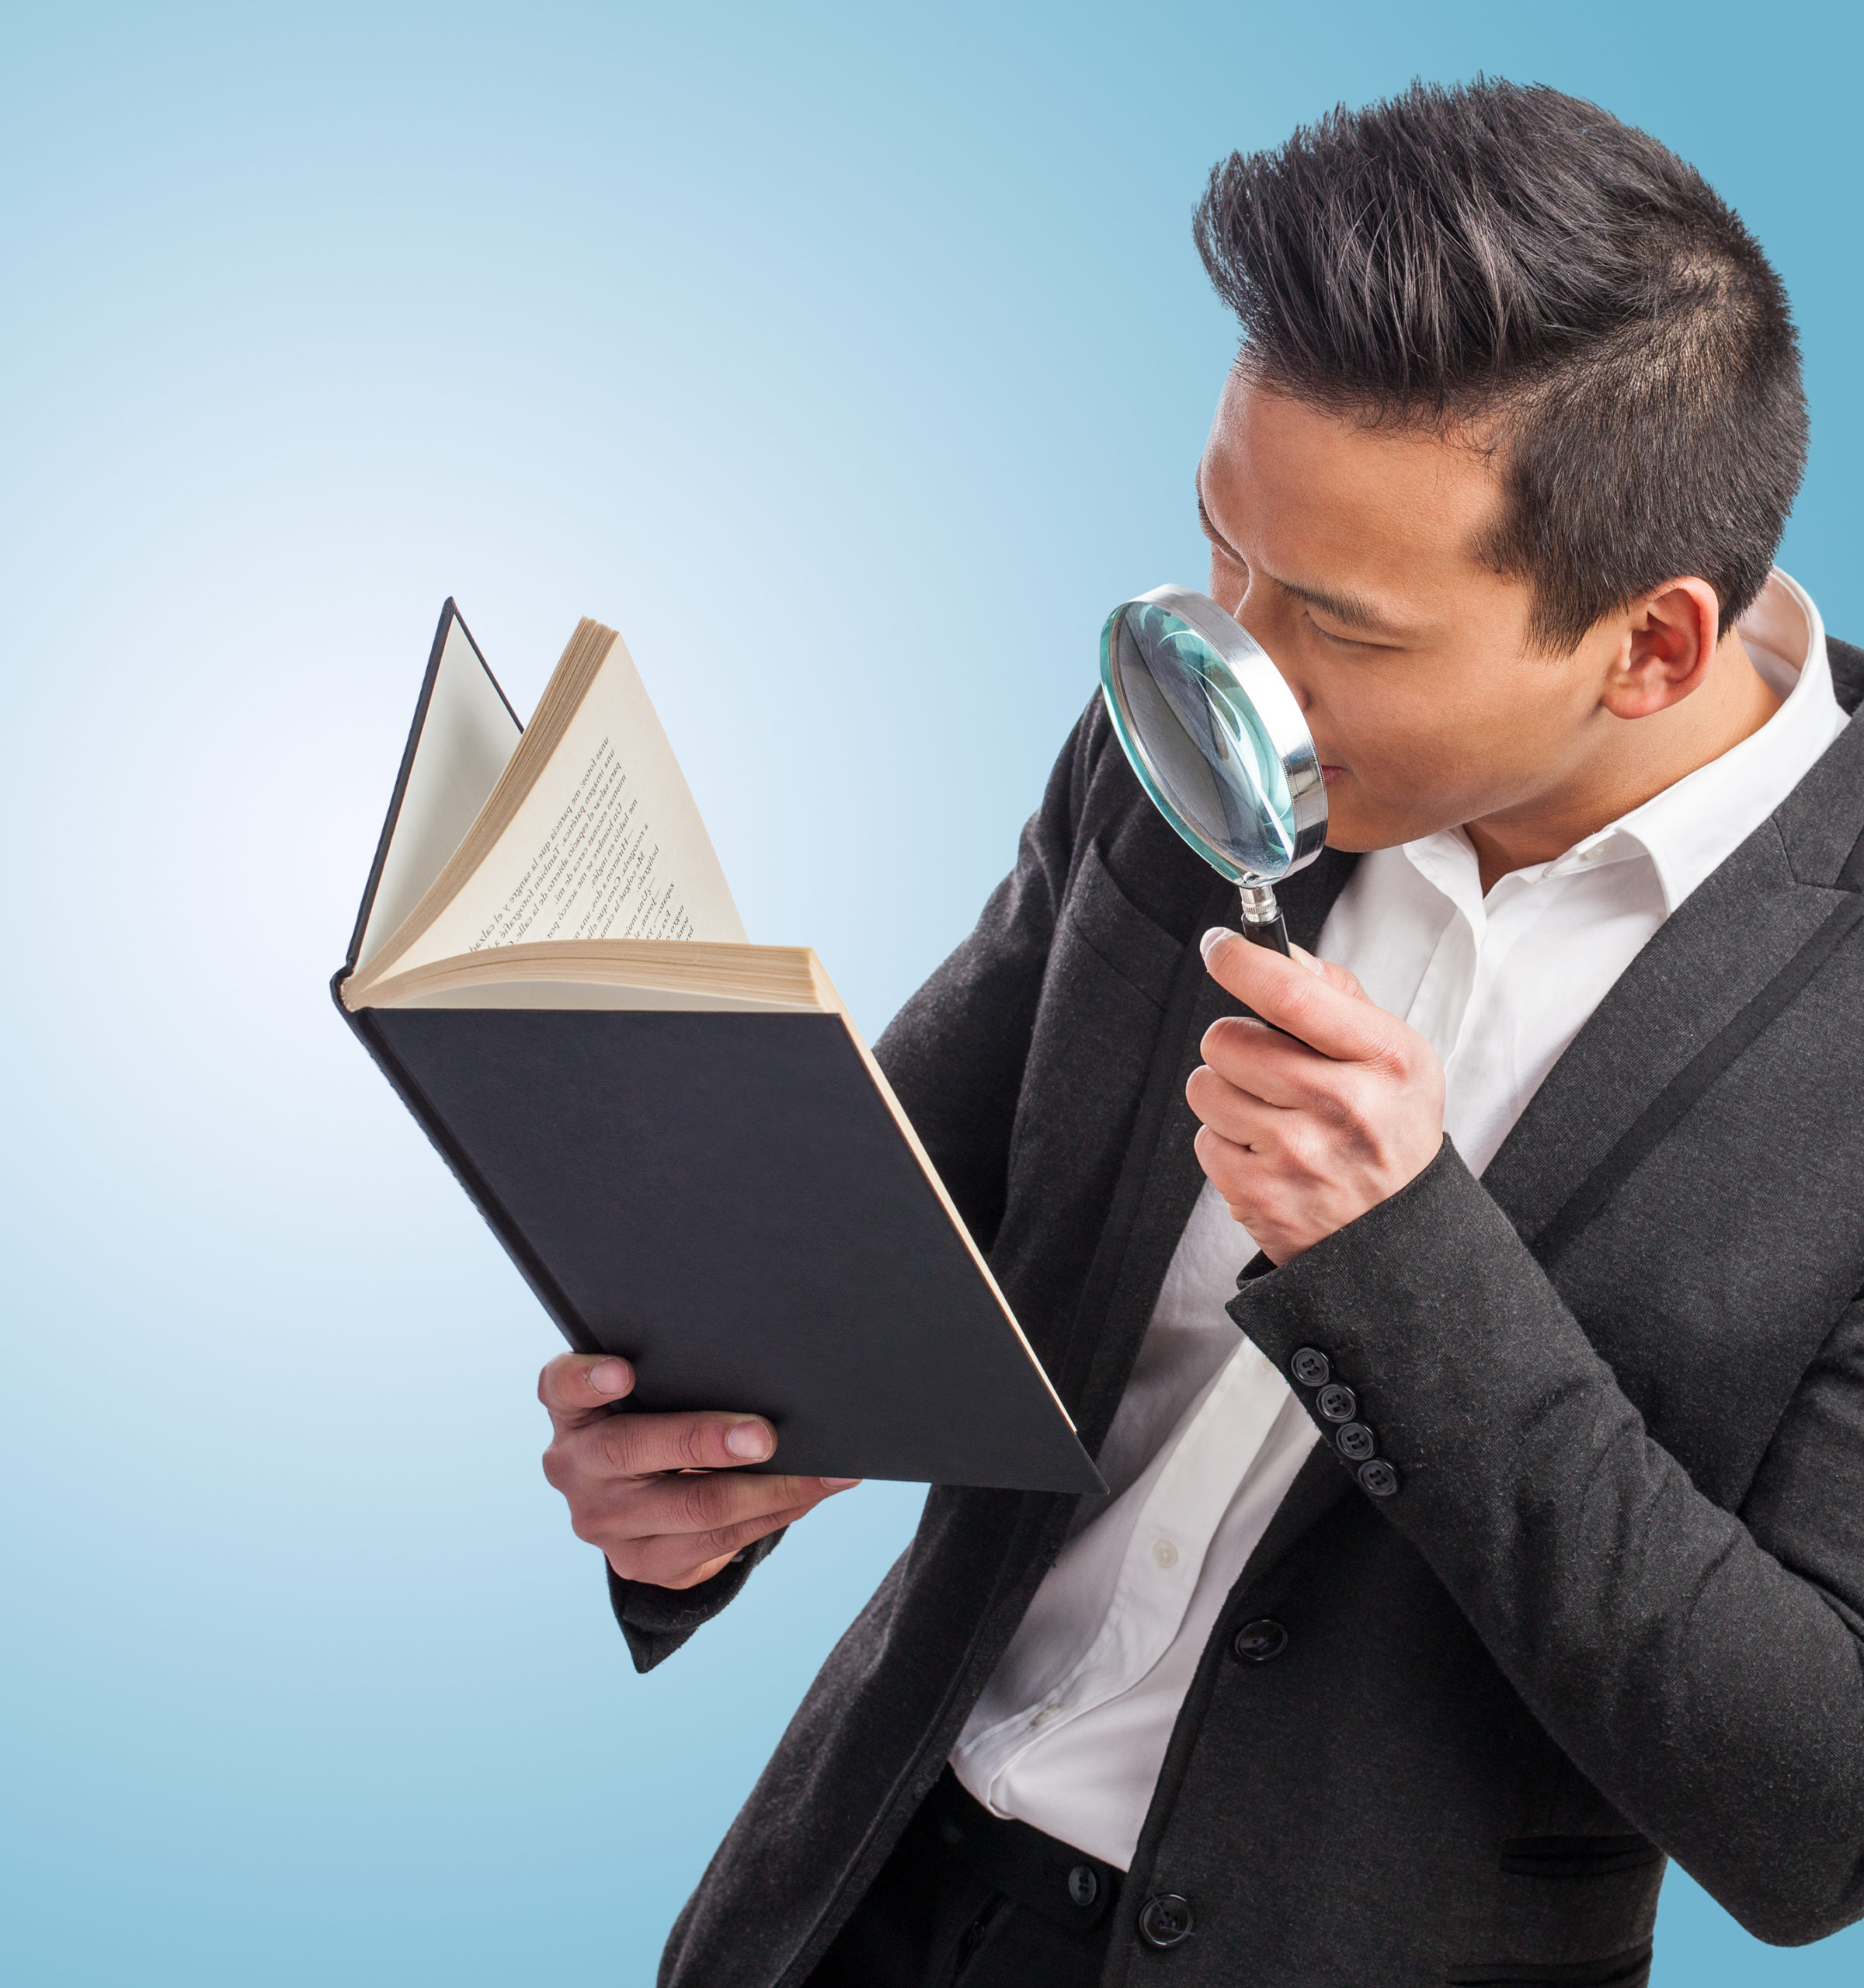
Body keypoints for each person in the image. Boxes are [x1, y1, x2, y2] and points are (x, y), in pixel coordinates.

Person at [537, 79, 1864, 1988]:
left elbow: (1814, 1810)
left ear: (1648, 646)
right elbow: (915, 1216)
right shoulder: (1187, 760)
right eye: (1219, 552)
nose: (1235, 663)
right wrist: (687, 1474)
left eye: (1337, 618)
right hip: (858, 1900)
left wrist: (1404, 1265)